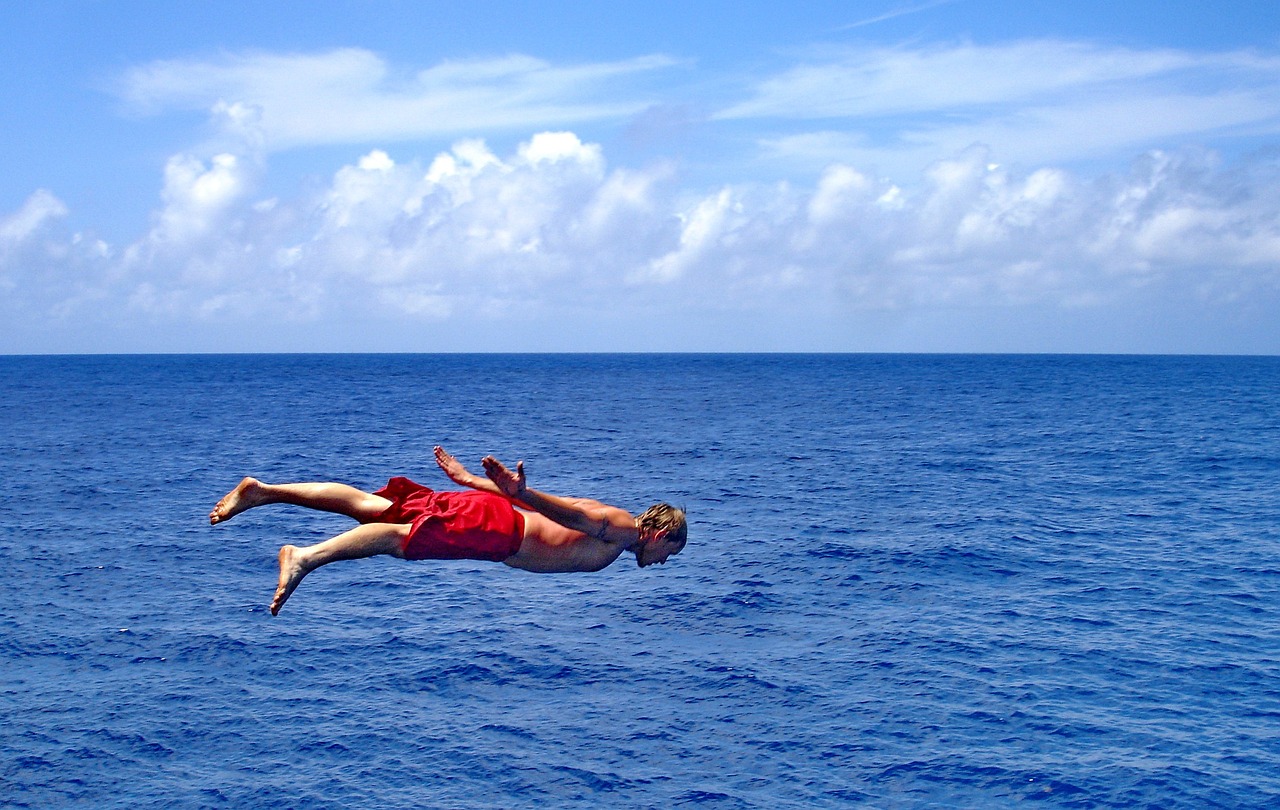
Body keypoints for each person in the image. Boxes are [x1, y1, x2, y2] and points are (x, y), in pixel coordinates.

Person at [209, 446, 687, 615]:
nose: (663, 562)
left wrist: (474, 483)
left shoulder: (616, 520)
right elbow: (576, 519)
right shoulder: (625, 530)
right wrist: (522, 492)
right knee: (400, 539)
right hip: (500, 531)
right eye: (670, 552)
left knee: (374, 509)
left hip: (495, 515)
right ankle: (304, 558)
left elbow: (563, 510)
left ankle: (263, 492)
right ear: (660, 534)